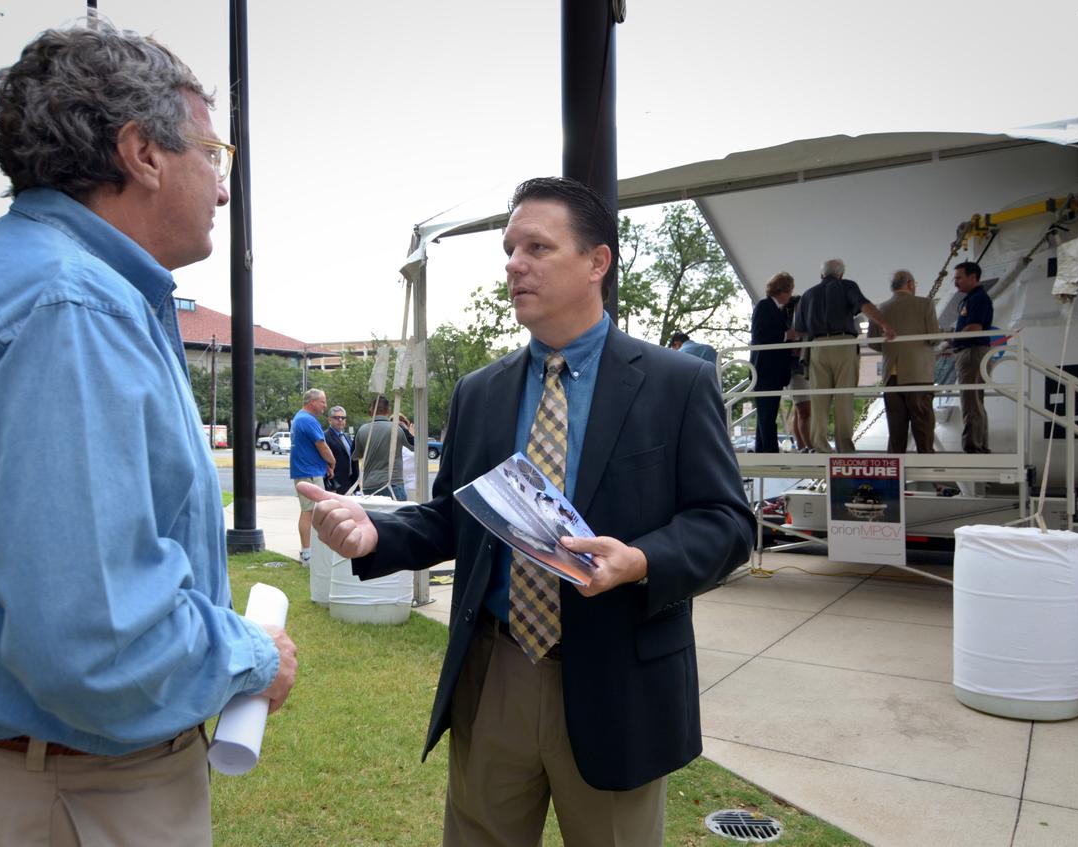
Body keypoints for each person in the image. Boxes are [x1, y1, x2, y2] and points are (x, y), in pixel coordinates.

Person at [0, 20, 297, 845]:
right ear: (141, 153)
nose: (223, 189)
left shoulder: (10, 281)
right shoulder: (70, 310)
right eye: (213, 156)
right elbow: (96, 636)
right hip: (78, 796)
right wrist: (252, 655)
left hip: (26, 781)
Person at [299, 176, 754, 846]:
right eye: (510, 248)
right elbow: (457, 518)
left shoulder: (673, 383)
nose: (513, 263)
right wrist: (376, 534)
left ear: (596, 261)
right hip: (496, 671)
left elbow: (727, 521)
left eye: (536, 246)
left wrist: (640, 560)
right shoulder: (481, 392)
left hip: (617, 679)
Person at [793, 258, 897, 452]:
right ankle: (844, 446)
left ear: (821, 274)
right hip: (843, 344)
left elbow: (798, 330)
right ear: (841, 274)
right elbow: (864, 305)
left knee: (818, 400)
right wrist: (885, 325)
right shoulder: (847, 286)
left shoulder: (807, 295)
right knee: (843, 398)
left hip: (817, 348)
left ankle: (820, 445)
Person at [869, 270, 939, 453]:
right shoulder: (925, 304)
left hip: (891, 375)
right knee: (923, 426)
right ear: (910, 284)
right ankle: (927, 466)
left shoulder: (880, 309)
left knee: (896, 429)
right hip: (918, 373)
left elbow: (873, 343)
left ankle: (894, 471)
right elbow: (934, 338)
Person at [750, 272, 798, 452]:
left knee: (766, 414)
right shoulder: (764, 306)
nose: (791, 294)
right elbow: (759, 335)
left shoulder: (772, 308)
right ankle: (770, 452)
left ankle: (763, 450)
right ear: (782, 291)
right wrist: (787, 335)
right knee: (767, 413)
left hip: (770, 370)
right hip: (765, 370)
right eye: (790, 290)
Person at [950, 260, 994, 453]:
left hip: (972, 352)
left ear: (972, 277)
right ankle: (979, 444)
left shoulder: (978, 299)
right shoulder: (972, 299)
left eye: (959, 277)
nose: (955, 282)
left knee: (970, 400)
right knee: (976, 400)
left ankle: (973, 445)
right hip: (973, 351)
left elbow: (974, 327)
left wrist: (952, 339)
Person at [292, 388, 336, 563]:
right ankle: (307, 554)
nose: (325, 406)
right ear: (312, 402)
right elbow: (322, 445)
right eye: (323, 402)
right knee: (309, 511)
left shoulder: (300, 418)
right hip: (308, 474)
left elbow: (310, 448)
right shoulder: (308, 420)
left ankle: (310, 551)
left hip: (309, 471)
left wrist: (324, 465)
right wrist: (332, 461)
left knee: (311, 511)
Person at [354, 395, 415, 500]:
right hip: (393, 485)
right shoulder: (397, 429)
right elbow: (415, 447)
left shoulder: (362, 430)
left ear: (371, 410)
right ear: (389, 410)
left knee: (372, 516)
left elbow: (356, 455)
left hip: (369, 486)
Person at [782, 294, 814, 451]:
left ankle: (803, 447)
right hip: (796, 369)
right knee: (804, 410)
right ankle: (809, 446)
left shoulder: (803, 322)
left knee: (800, 409)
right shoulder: (788, 323)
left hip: (804, 368)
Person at [324, 404, 358, 494]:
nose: (340, 420)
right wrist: (330, 484)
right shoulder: (325, 436)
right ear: (329, 419)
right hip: (334, 484)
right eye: (336, 417)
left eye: (343, 418)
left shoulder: (347, 436)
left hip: (349, 482)